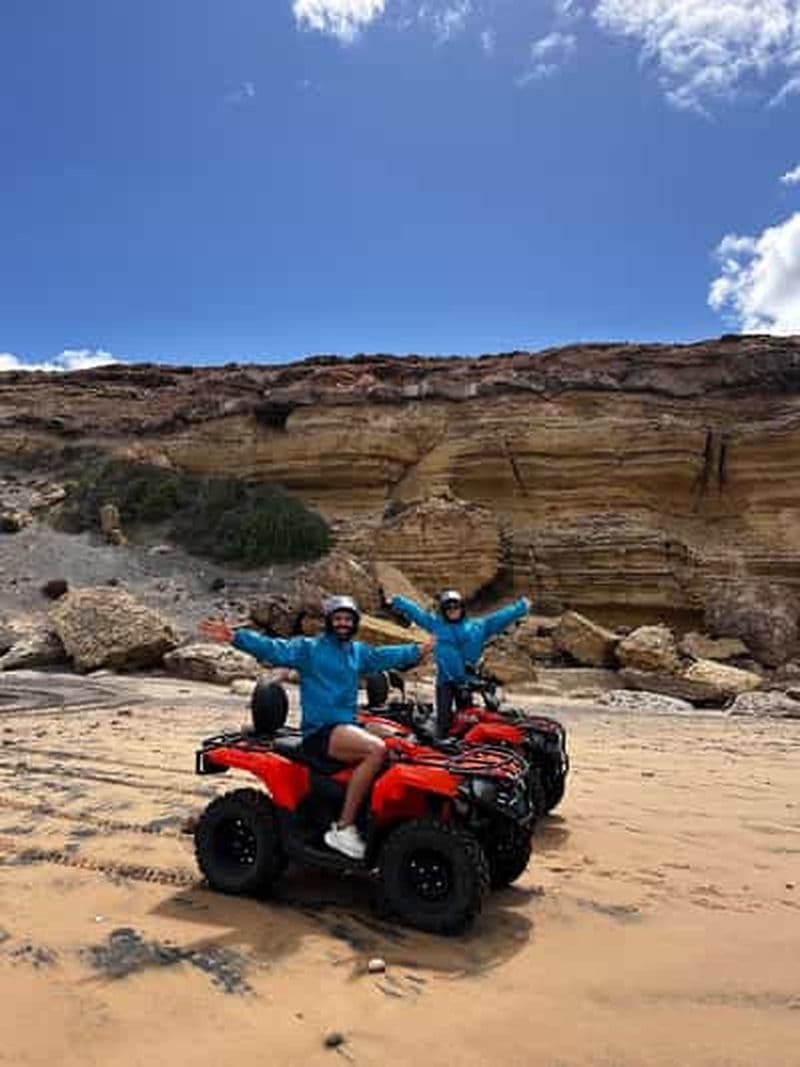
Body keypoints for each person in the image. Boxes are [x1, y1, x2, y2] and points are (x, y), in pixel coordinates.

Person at [200, 595, 434, 861]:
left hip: (346, 724)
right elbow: (274, 649)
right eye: (338, 618)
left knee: (403, 741)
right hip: (321, 730)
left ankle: (374, 816)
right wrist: (236, 637)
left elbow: (384, 656)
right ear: (329, 622)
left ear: (355, 623)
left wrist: (418, 650)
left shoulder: (357, 652)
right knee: (376, 750)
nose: (343, 623)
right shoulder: (309, 649)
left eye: (348, 619)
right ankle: (344, 828)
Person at [387, 589, 531, 732]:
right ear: (443, 610)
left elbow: (500, 618)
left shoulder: (478, 627)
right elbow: (417, 613)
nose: (452, 610)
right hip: (445, 682)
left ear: (462, 608)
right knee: (443, 722)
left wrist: (521, 607)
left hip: (466, 683)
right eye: (448, 607)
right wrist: (398, 601)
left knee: (466, 722)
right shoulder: (436, 625)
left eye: (456, 606)